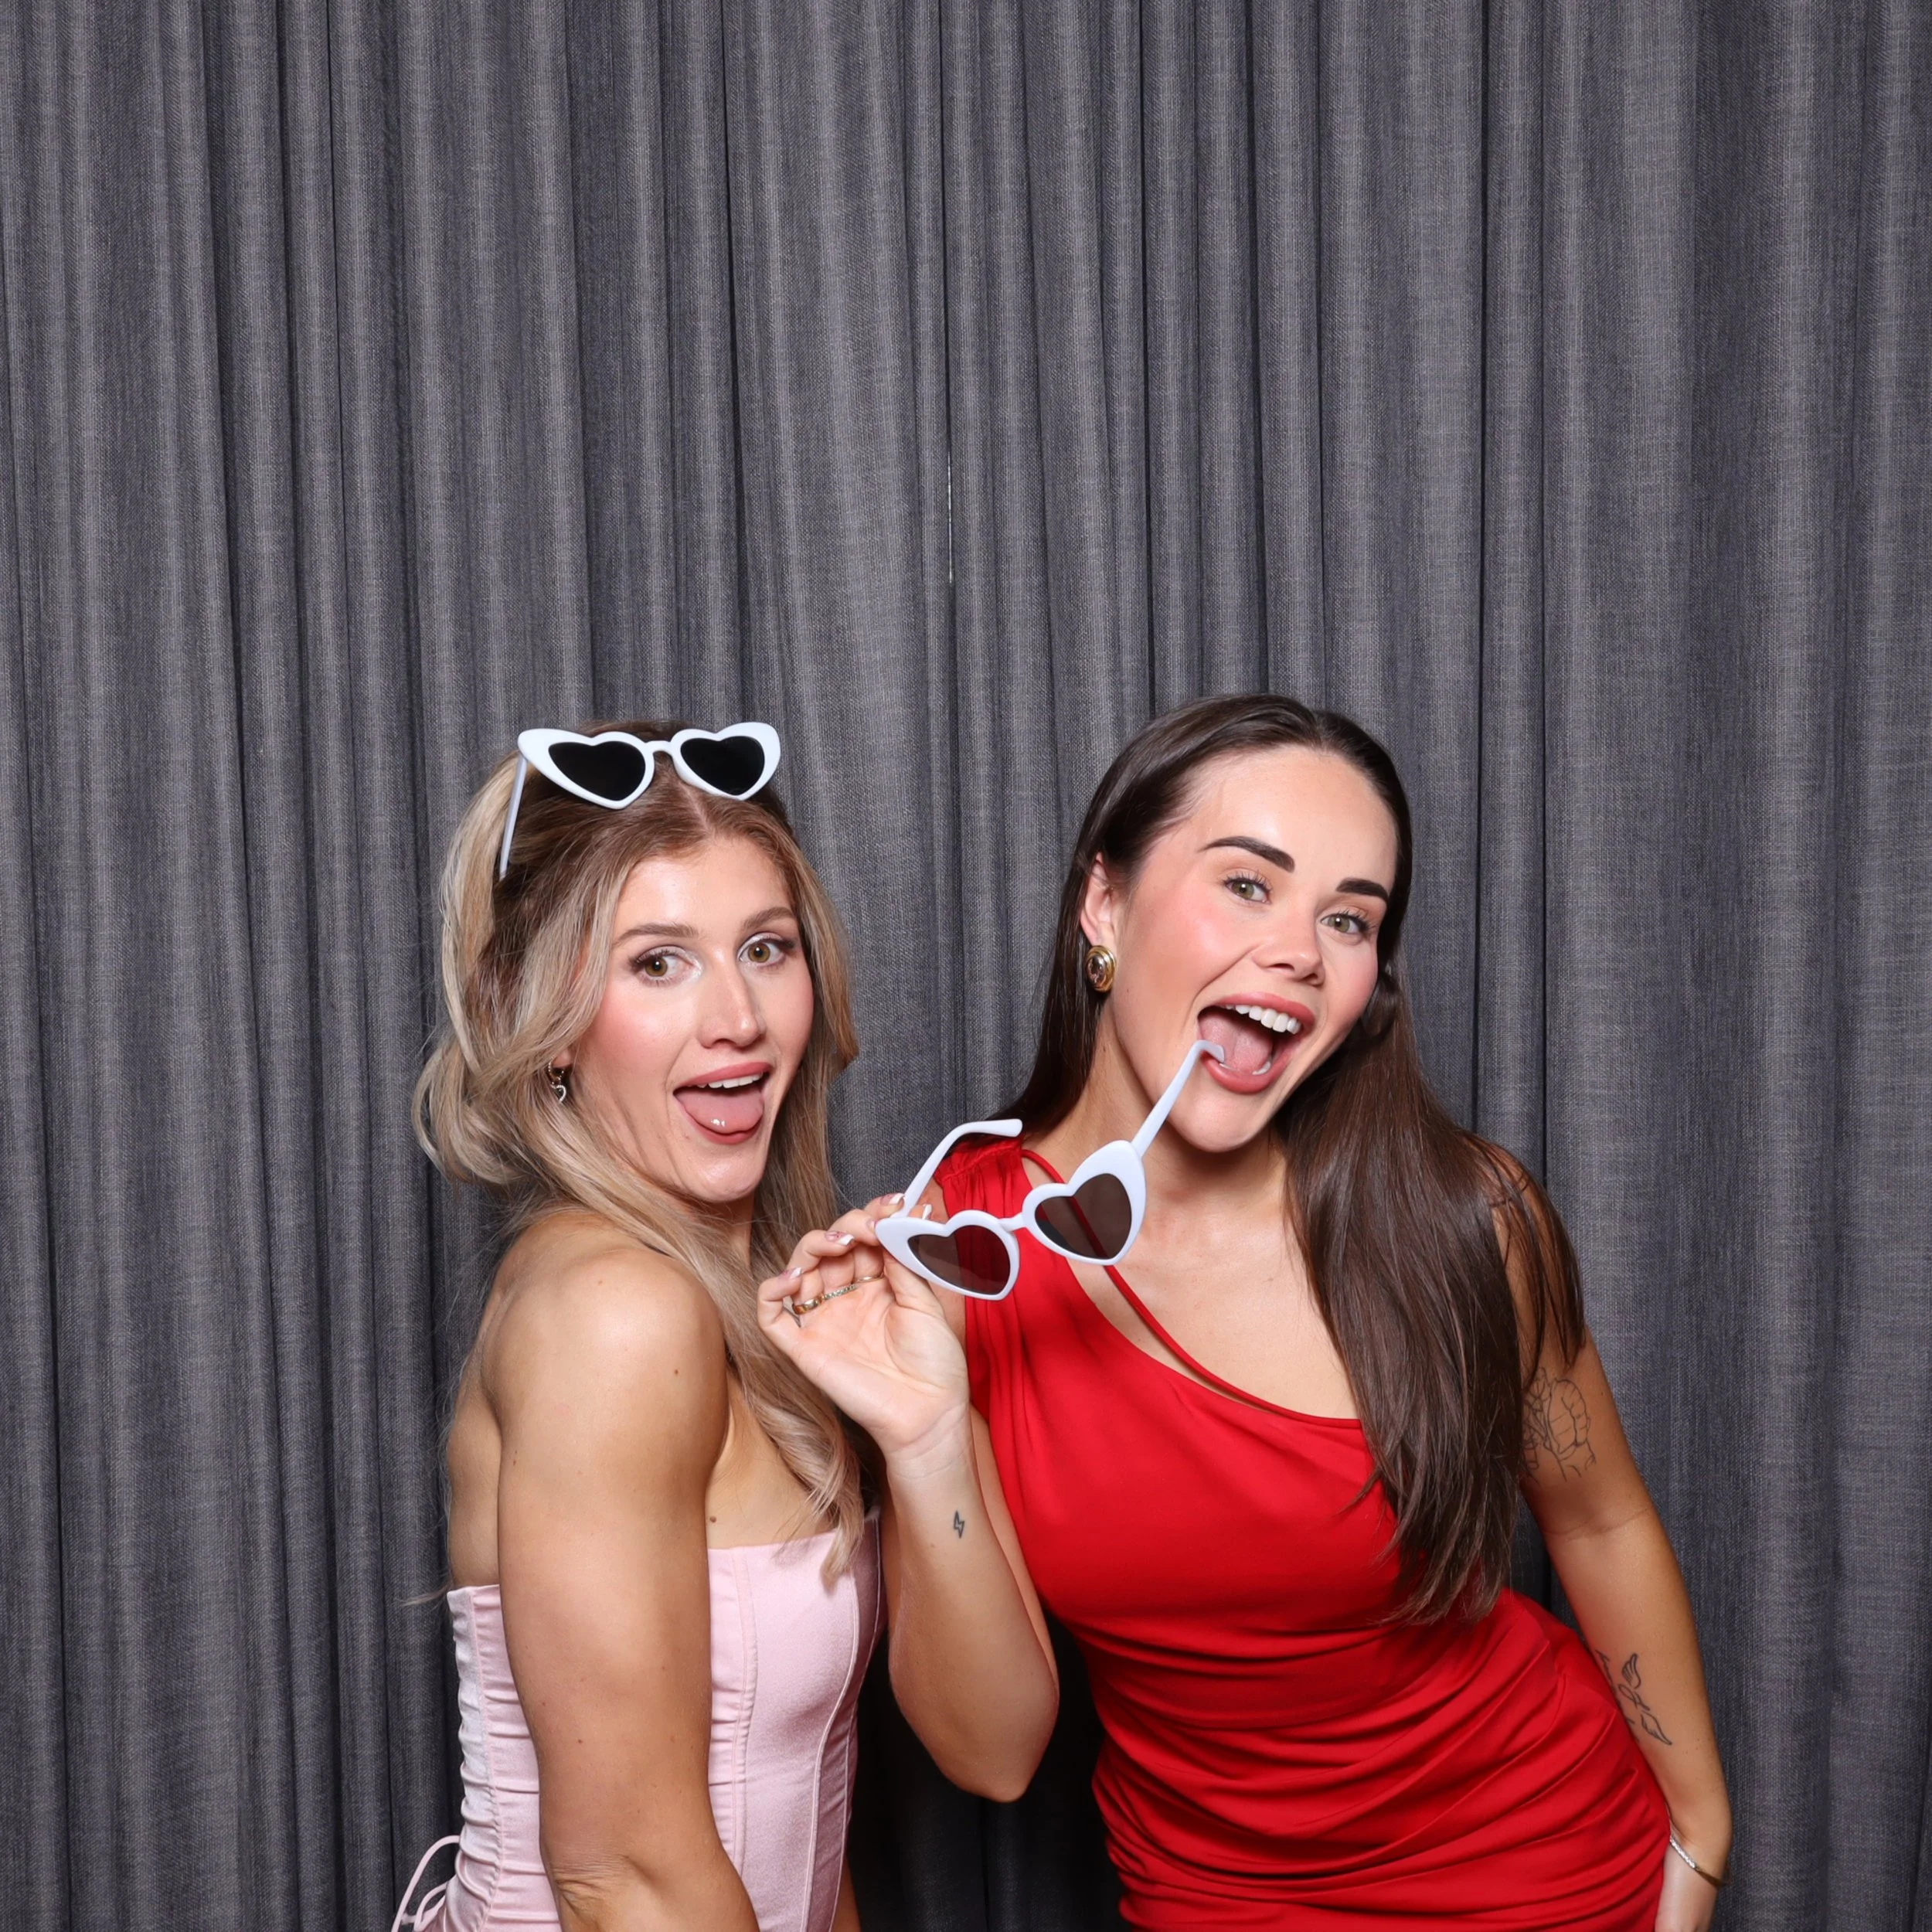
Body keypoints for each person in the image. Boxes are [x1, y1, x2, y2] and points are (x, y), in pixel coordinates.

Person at [761, 696, 1733, 1931]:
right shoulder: (969, 1252)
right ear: (1102, 907)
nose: (1301, 952)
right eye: (1247, 885)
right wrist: (923, 1435)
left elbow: (1600, 1523)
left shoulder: (1467, 1220)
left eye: (1349, 918)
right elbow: (992, 1754)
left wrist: (1697, 1836)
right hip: (1214, 1900)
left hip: (1546, 1863)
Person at [392, 719, 1044, 1932]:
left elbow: (997, 1748)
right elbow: (624, 1879)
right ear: (540, 1013)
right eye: (657, 963)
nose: (736, 1016)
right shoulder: (612, 1313)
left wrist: (928, 1435)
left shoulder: (776, 1308)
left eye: (765, 947)